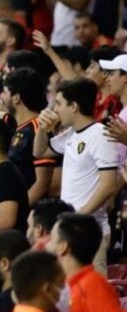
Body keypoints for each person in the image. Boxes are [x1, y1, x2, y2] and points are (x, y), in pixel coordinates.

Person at [35, 77, 120, 272]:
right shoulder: (72, 134)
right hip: (71, 228)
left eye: (59, 103)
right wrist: (41, 128)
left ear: (73, 106)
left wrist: (77, 216)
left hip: (91, 231)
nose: (55, 110)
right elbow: (40, 152)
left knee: (90, 295)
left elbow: (109, 186)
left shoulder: (100, 135)